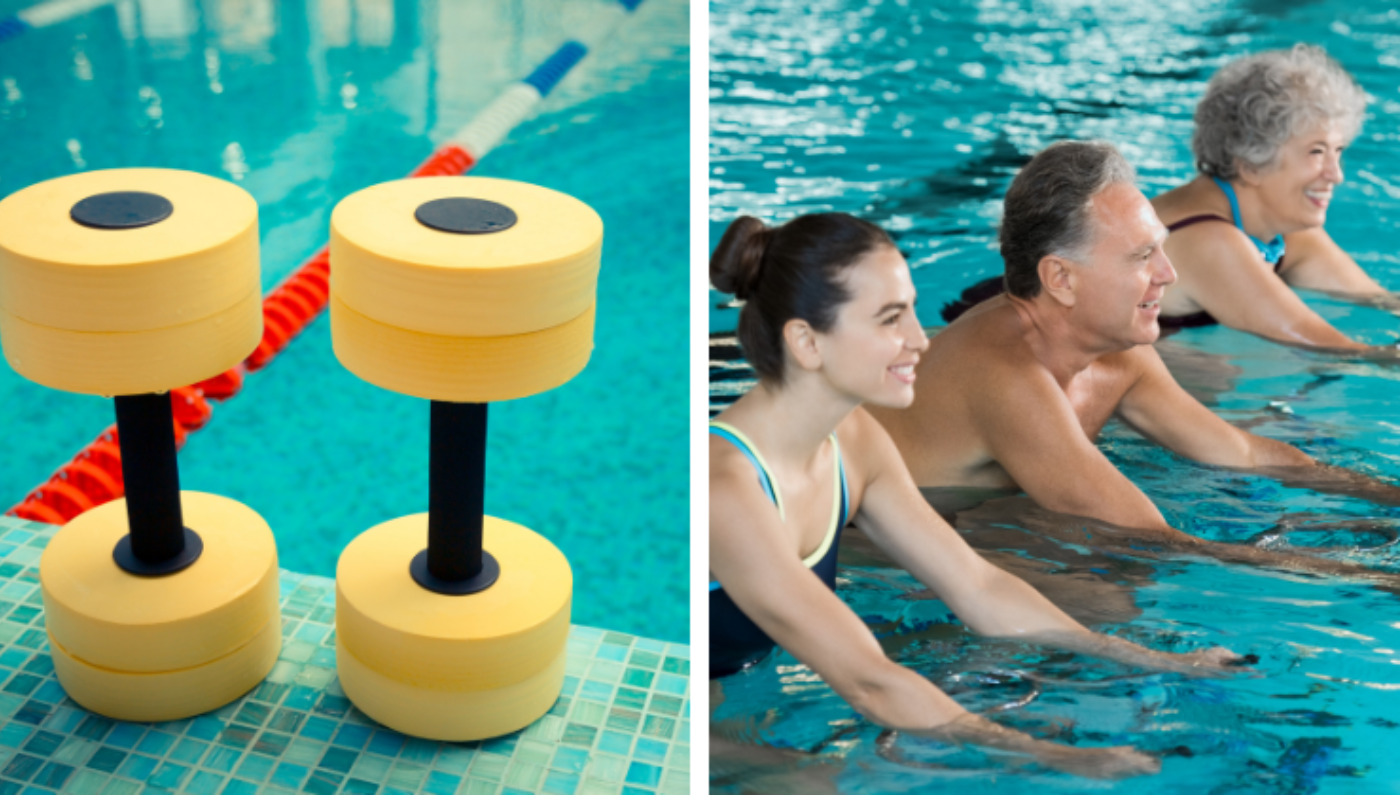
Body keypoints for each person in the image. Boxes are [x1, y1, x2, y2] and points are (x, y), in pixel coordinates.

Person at [708, 212, 1249, 781]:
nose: (919, 340)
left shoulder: (853, 439)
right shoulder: (727, 491)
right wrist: (1055, 757)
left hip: (746, 691)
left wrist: (1161, 661)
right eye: (890, 319)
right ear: (806, 342)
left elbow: (978, 586)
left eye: (913, 311)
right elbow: (868, 681)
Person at [869, 141, 1400, 576]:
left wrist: (1386, 495)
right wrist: (1367, 578)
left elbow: (1240, 451)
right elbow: (1146, 537)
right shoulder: (1006, 377)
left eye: (1161, 248)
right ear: (1061, 279)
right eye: (1143, 255)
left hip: (979, 517)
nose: (1168, 274)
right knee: (1104, 589)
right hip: (878, 555)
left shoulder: (1117, 350)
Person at [1150, 44, 1400, 350]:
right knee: (1215, 369)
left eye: (1338, 151)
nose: (1336, 174)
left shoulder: (1281, 225)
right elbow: (1340, 351)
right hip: (1130, 366)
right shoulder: (1209, 241)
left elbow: (1381, 300)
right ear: (1251, 164)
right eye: (1316, 152)